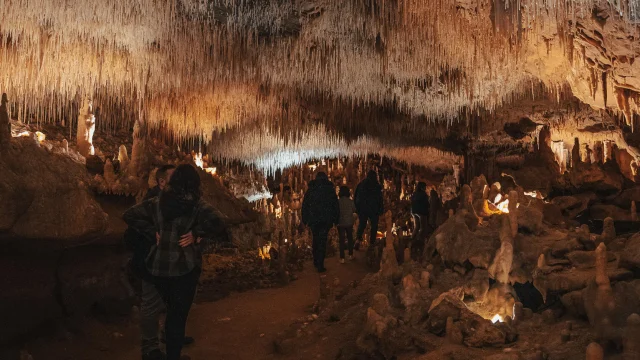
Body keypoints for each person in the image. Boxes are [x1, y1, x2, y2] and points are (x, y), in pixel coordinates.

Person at [124, 164, 229, 360]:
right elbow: (221, 221)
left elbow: (129, 215)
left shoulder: (156, 203)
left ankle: (152, 348)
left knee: (160, 309)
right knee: (176, 316)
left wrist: (151, 232)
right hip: (183, 267)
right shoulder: (196, 205)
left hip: (157, 267)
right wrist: (197, 233)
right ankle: (173, 355)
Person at [125, 164, 180, 360]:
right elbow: (129, 217)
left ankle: (167, 336)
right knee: (151, 303)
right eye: (175, 178)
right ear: (162, 181)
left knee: (169, 301)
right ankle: (149, 349)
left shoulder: (172, 200)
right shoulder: (152, 200)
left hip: (166, 261)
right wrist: (151, 233)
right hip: (150, 260)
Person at [302, 172, 339, 273]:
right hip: (326, 220)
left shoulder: (311, 190)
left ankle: (316, 259)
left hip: (314, 219)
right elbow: (335, 205)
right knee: (322, 241)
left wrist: (305, 219)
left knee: (316, 239)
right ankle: (320, 263)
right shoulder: (329, 190)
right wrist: (335, 219)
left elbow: (305, 205)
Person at [354, 170, 384, 246]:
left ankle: (358, 240)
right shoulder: (376, 185)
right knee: (374, 225)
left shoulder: (361, 184)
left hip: (363, 208)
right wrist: (380, 209)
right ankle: (372, 242)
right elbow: (380, 198)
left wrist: (357, 207)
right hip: (373, 208)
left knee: (362, 224)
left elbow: (356, 196)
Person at [337, 186, 357, 263]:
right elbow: (354, 210)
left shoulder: (338, 202)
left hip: (340, 222)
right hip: (349, 222)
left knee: (341, 240)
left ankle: (342, 258)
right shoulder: (350, 201)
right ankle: (350, 255)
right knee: (350, 238)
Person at [410, 182, 430, 257]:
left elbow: (412, 202)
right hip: (421, 212)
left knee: (416, 226)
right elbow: (427, 204)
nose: (425, 188)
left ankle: (412, 238)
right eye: (425, 187)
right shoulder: (423, 194)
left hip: (414, 212)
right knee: (423, 227)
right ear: (422, 187)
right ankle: (419, 240)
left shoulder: (415, 194)